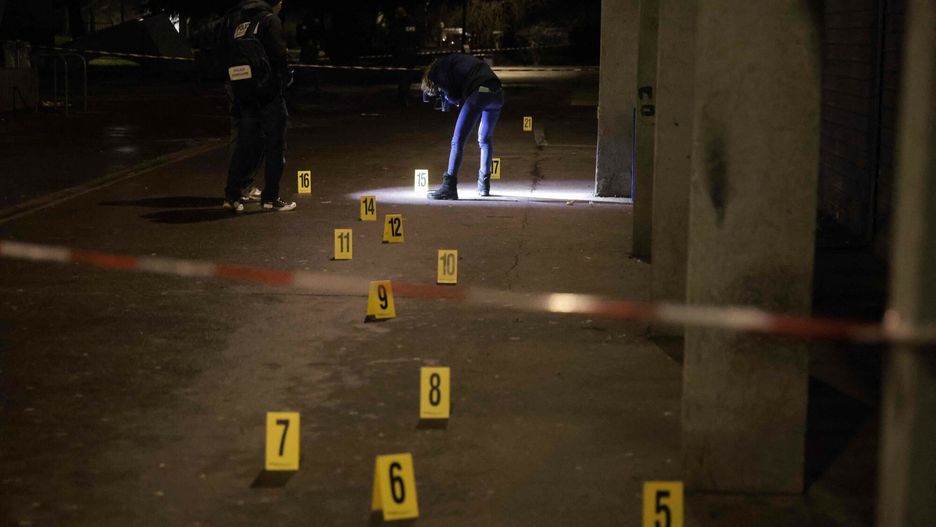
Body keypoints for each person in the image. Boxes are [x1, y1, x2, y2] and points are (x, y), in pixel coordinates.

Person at [222, 0, 296, 213]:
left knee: (244, 144)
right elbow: (279, 56)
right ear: (278, 3)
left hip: (245, 92)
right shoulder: (270, 21)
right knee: (275, 144)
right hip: (268, 93)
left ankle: (231, 196)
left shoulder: (242, 23)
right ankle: (270, 197)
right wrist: (285, 81)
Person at [421, 54, 504, 200]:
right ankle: (484, 185)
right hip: (497, 93)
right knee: (485, 139)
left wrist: (448, 99)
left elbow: (453, 94)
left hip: (480, 93)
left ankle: (449, 187)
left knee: (457, 141)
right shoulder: (457, 61)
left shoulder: (437, 70)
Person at [389, 6, 419, 108]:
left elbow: (395, 37)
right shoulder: (410, 22)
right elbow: (414, 37)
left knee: (402, 75)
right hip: (409, 53)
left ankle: (403, 95)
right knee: (406, 75)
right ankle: (404, 95)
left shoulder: (400, 23)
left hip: (403, 53)